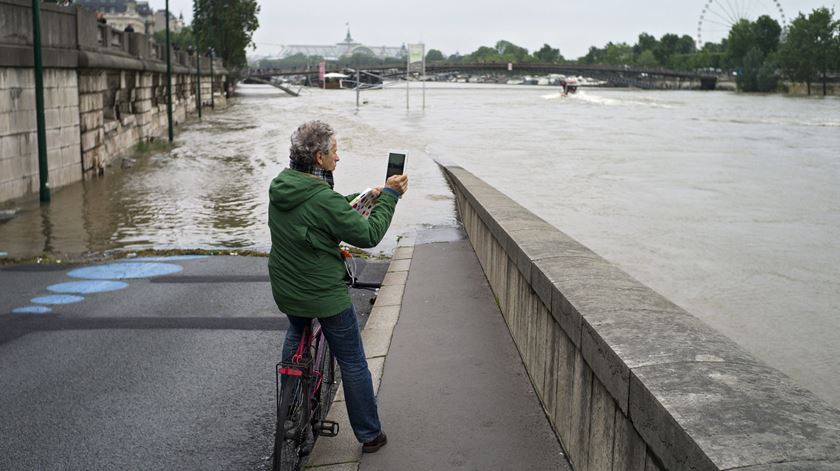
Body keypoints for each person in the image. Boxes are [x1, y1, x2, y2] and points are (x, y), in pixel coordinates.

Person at [268, 120, 408, 453]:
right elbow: (369, 235)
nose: (339, 158)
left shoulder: (283, 185)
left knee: (296, 328)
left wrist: (366, 196)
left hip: (286, 288)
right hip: (323, 293)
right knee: (354, 362)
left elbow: (323, 208)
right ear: (319, 158)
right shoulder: (321, 198)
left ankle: (289, 406)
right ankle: (370, 435)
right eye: (334, 152)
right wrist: (389, 196)